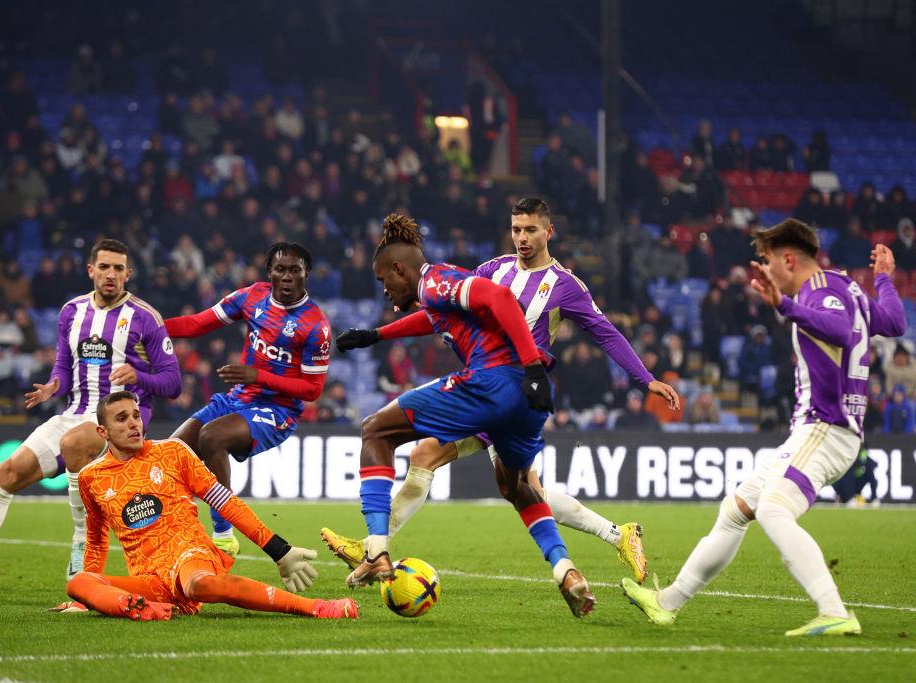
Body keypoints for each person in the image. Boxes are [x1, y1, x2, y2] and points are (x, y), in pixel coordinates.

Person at [322, 198, 679, 586]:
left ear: (549, 232)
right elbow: (445, 314)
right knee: (469, 471)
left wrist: (645, 379)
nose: (522, 238)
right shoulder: (494, 269)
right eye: (516, 230)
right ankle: (374, 548)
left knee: (521, 488)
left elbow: (605, 333)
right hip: (485, 383)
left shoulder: (565, 286)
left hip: (520, 387)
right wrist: (378, 334)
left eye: (530, 230)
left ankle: (373, 548)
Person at [622, 220, 906, 637]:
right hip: (819, 430)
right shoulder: (848, 289)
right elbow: (896, 323)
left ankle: (834, 611)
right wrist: (883, 279)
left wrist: (786, 307)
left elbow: (841, 333)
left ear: (788, 259)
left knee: (774, 508)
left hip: (827, 426)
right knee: (736, 510)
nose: (765, 270)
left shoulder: (820, 291)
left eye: (768, 261)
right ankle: (668, 602)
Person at [336, 213, 608, 620]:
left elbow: (500, 299)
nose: (384, 289)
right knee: (517, 487)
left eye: (383, 280)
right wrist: (376, 335)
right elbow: (433, 319)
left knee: (375, 430)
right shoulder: (436, 296)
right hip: (527, 399)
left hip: (494, 382)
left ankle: (376, 549)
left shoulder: (434, 280)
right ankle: (566, 570)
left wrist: (532, 365)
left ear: (398, 268)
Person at [0, 239, 182, 591]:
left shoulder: (145, 317)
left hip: (121, 419)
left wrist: (139, 376)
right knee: (6, 473)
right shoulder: (72, 311)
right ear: (90, 270)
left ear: (128, 274)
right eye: (104, 267)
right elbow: (62, 365)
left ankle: (81, 544)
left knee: (74, 443)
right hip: (74, 412)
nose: (111, 274)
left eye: (118, 268)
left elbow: (173, 383)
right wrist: (52, 387)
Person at [61, 391, 356, 621]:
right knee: (78, 583)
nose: (133, 424)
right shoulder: (91, 478)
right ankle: (140, 608)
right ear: (103, 432)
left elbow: (224, 501)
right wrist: (86, 599)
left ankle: (316, 607)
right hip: (150, 580)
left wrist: (278, 550)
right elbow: (96, 540)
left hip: (190, 555)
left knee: (199, 585)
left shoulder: (172, 452)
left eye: (136, 416)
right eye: (122, 418)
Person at [163, 242, 330, 556]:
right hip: (237, 398)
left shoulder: (315, 326)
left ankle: (223, 534)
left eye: (295, 270)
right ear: (270, 272)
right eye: (280, 269)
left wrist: (258, 376)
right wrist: (151, 328)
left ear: (306, 273)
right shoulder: (252, 297)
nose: (287, 276)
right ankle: (177, 536)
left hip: (278, 410)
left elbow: (312, 390)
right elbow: (197, 323)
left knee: (211, 437)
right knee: (170, 456)